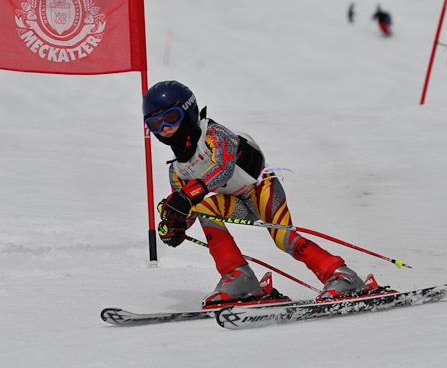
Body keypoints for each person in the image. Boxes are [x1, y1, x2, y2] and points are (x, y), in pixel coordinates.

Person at [143, 80, 368, 309]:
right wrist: (176, 226)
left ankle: (342, 276)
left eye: (171, 118)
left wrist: (190, 195)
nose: (165, 129)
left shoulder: (213, 133)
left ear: (188, 111)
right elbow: (187, 208)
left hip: (261, 189)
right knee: (202, 209)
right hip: (234, 203)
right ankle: (239, 277)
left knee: (284, 240)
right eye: (154, 124)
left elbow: (223, 168)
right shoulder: (177, 170)